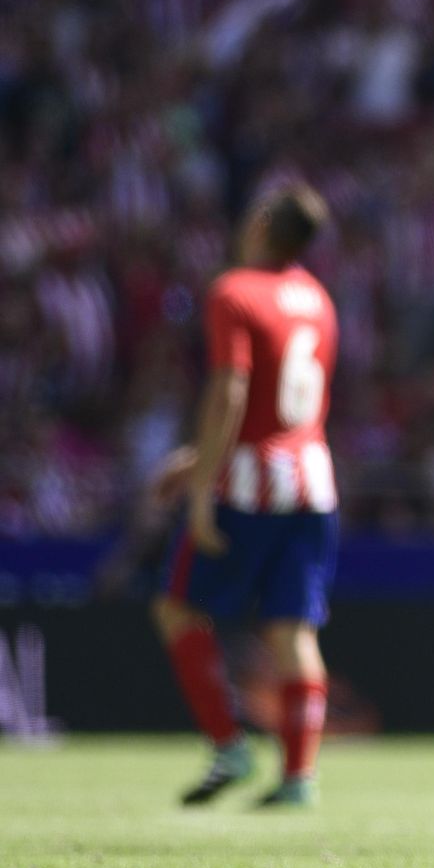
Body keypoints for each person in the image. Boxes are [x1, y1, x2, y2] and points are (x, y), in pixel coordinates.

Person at [151, 183, 339, 808]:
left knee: (179, 607)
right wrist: (193, 458)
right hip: (312, 482)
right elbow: (279, 412)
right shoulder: (316, 298)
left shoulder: (234, 291)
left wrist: (201, 489)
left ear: (260, 224)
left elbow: (233, 394)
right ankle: (299, 778)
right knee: (293, 631)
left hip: (250, 487)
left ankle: (229, 744)